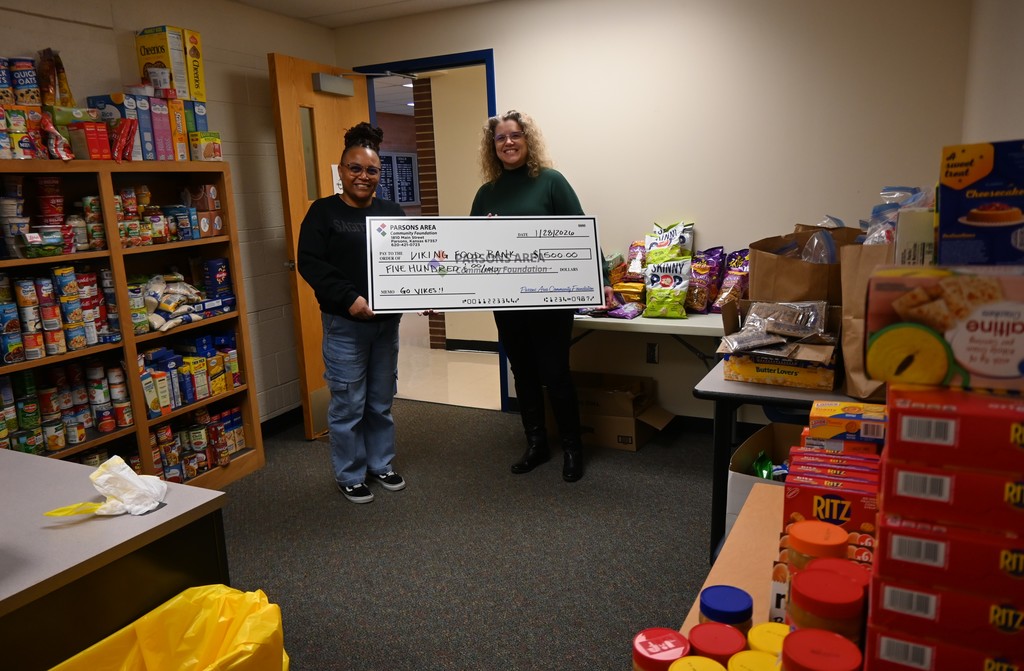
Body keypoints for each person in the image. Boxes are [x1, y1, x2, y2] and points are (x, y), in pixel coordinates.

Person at [470, 110, 613, 483]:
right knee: (523, 373)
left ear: (527, 140)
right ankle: (536, 444)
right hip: (508, 302)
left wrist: (602, 279)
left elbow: (582, 232)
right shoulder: (487, 193)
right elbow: (469, 247)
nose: (508, 143)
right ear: (493, 147)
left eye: (515, 135)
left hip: (550, 300)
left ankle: (571, 448)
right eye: (500, 138)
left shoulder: (550, 182)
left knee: (555, 373)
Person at [297, 122, 407, 504]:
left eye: (371, 170)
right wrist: (349, 298)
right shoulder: (323, 213)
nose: (363, 176)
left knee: (380, 400)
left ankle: (381, 464)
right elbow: (310, 263)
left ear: (379, 174)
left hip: (385, 326)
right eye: (354, 168)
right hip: (345, 325)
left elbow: (411, 261)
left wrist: (424, 291)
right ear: (341, 171)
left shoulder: (392, 212)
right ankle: (349, 473)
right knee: (348, 403)